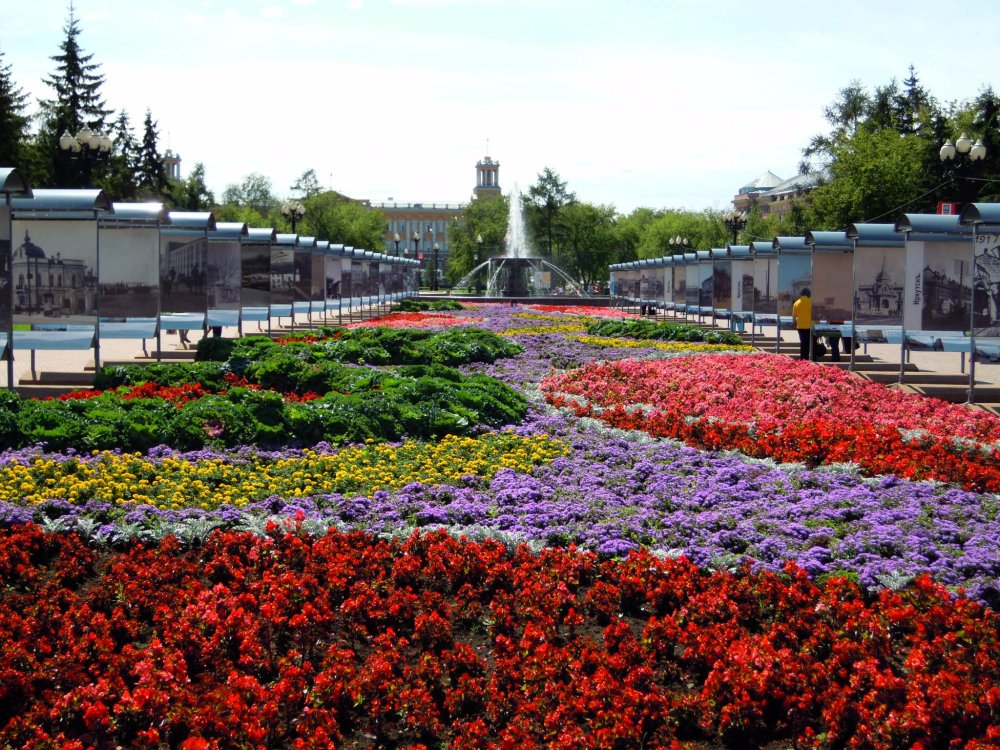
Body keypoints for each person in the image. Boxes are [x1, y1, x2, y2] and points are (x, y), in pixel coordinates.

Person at [792, 288, 814, 361]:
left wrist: (794, 323)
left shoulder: (796, 303)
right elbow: (815, 314)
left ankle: (802, 358)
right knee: (809, 343)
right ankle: (809, 357)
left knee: (803, 342)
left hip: (800, 326)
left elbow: (794, 317)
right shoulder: (811, 302)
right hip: (810, 326)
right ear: (809, 294)